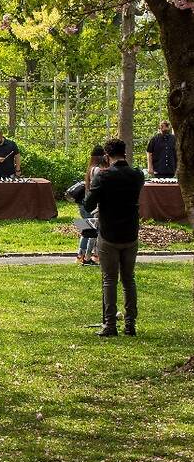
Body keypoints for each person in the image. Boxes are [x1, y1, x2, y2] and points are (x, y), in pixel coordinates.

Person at [84, 138, 144, 337]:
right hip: (130, 232)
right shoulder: (137, 175)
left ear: (107, 156)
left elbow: (88, 204)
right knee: (129, 280)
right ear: (125, 153)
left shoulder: (103, 176)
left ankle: (110, 324)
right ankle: (130, 324)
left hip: (109, 233)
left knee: (109, 279)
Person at [76, 145, 109, 266]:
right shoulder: (98, 170)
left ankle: (80, 255)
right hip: (94, 206)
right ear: (101, 157)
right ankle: (89, 257)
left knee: (86, 231)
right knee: (94, 233)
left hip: (85, 203)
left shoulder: (90, 168)